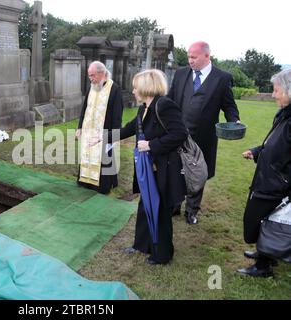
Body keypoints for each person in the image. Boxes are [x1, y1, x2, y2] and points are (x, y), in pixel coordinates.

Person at [167, 41, 241, 224]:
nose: (189, 61)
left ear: (207, 56)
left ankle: (192, 210)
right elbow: (169, 100)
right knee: (176, 168)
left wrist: (235, 121)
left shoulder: (222, 78)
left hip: (204, 137)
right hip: (178, 134)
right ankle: (174, 204)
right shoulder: (181, 74)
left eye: (193, 57)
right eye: (189, 57)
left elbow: (229, 105)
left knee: (197, 173)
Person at [119, 70, 187, 264]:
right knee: (145, 206)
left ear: (146, 86)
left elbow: (180, 133)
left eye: (135, 86)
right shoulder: (144, 108)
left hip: (164, 169)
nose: (133, 90)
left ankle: (162, 254)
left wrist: (151, 144)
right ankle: (141, 244)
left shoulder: (164, 106)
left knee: (161, 211)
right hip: (148, 169)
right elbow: (127, 129)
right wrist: (102, 137)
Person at [237, 69, 291, 277]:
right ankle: (265, 253)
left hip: (277, 184)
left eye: (276, 90)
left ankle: (263, 266)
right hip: (270, 178)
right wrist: (257, 151)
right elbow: (275, 143)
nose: (273, 94)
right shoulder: (284, 114)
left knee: (262, 220)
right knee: (262, 219)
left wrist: (284, 180)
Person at [76, 61, 123, 194]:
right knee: (87, 154)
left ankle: (102, 185)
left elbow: (117, 114)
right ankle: (85, 180)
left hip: (104, 132)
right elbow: (85, 107)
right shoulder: (92, 86)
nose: (91, 79)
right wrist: (80, 127)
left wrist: (114, 134)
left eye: (93, 75)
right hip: (88, 130)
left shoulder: (114, 89)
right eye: (89, 76)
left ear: (102, 73)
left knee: (105, 158)